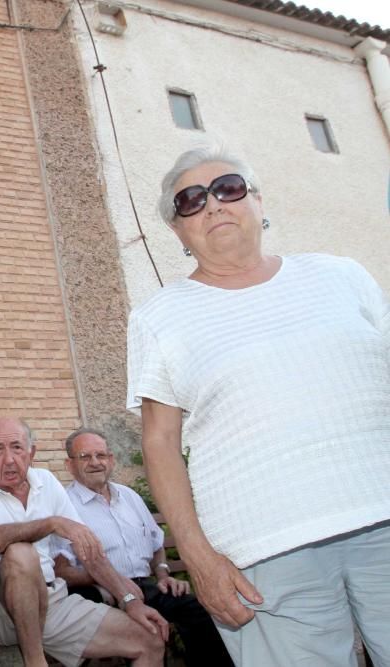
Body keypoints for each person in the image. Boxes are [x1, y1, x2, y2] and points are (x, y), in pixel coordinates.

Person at [128, 145, 390, 666]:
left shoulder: (342, 276)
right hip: (265, 553)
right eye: (191, 200)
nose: (213, 205)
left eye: (228, 188)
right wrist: (197, 558)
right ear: (178, 231)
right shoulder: (161, 316)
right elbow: (159, 444)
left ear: (258, 200)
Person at [0, 417, 167, 667]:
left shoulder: (46, 481)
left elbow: (88, 550)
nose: (9, 459)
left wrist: (129, 600)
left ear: (32, 452)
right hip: (0, 610)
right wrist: (51, 523)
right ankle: (35, 661)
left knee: (149, 639)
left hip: (52, 600)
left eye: (17, 447)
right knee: (21, 553)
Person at [56, 427, 231, 666]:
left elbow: (155, 542)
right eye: (85, 456)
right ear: (69, 465)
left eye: (101, 455)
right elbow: (62, 570)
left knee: (199, 611)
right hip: (100, 595)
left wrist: (163, 574)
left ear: (111, 460)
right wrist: (106, 582)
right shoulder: (63, 505)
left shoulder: (129, 496)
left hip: (145, 587)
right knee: (147, 631)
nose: (95, 462)